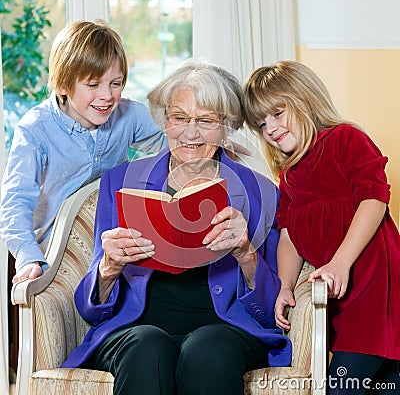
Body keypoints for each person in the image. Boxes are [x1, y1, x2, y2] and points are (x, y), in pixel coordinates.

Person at [62, 61, 292, 395]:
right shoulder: (121, 182)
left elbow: (270, 308)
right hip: (137, 330)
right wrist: (108, 268)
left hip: (224, 330)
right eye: (179, 118)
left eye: (206, 121)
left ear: (226, 127)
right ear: (165, 121)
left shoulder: (260, 192)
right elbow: (89, 306)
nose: (190, 133)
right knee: (148, 345)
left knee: (207, 347)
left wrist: (246, 253)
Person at [244, 60, 400, 394]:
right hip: (340, 298)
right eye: (260, 123)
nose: (270, 128)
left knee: (341, 386)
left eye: (278, 113)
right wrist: (285, 285)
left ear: (305, 100)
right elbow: (289, 234)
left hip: (376, 291)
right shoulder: (289, 175)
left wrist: (341, 262)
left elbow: (374, 199)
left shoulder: (346, 139)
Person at [0, 20, 167, 283]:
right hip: (57, 257)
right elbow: (15, 202)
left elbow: (168, 147)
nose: (108, 96)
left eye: (116, 83)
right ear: (63, 86)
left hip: (113, 248)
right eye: (93, 85)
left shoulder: (129, 114)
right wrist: (28, 257)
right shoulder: (35, 131)